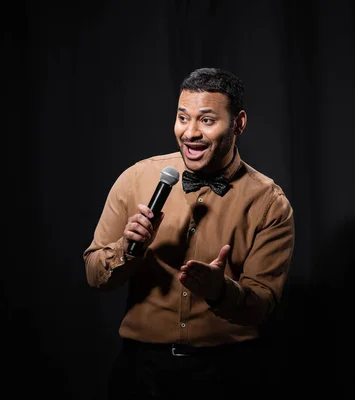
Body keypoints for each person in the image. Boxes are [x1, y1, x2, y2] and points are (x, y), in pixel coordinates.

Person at [83, 67, 295, 398]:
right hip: (141, 373)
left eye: (207, 120)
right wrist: (127, 248)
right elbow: (95, 276)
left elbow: (264, 305)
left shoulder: (270, 202)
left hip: (228, 374)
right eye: (183, 118)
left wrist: (219, 291)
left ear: (238, 123)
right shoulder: (135, 179)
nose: (190, 132)